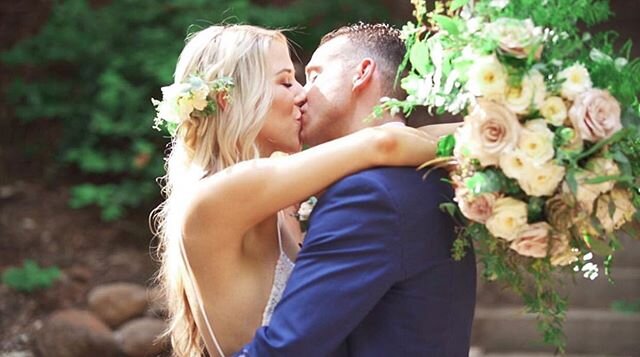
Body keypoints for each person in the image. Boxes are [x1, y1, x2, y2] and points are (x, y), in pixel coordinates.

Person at [151, 24, 451, 357]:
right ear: (229, 99)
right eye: (285, 81)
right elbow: (383, 142)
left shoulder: (279, 200)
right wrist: (490, 142)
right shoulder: (221, 193)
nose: (301, 94)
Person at [234, 23, 477, 357]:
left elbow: (286, 350)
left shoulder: (368, 196)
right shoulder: (426, 175)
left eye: (315, 76)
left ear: (362, 73)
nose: (302, 94)